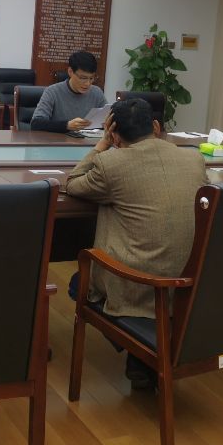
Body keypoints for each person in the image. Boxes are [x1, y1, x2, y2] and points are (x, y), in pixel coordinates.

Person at [66, 98, 208, 388]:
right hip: (187, 281)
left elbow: (73, 182)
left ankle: (139, 351)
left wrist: (102, 145)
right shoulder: (193, 158)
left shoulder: (111, 163)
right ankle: (143, 354)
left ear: (114, 133)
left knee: (77, 282)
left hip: (139, 284)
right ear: (156, 126)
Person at [31, 50, 107, 132]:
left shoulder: (97, 92)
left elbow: (108, 118)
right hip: (60, 140)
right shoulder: (52, 91)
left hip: (88, 139)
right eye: (83, 78)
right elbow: (36, 124)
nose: (87, 83)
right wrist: (66, 125)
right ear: (70, 72)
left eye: (91, 78)